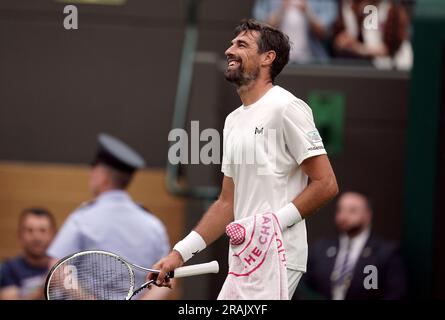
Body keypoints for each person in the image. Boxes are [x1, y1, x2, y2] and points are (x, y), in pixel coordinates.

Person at [150, 19, 338, 299]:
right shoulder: (233, 121)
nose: (229, 50)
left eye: (241, 44)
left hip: (277, 255)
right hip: (242, 258)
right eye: (231, 43)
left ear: (267, 58)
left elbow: (326, 184)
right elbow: (228, 203)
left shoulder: (288, 107)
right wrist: (180, 253)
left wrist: (272, 223)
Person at [47, 133, 171, 299]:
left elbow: (56, 269)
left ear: (102, 176)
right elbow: (168, 276)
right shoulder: (154, 225)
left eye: (93, 170)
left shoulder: (83, 218)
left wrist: (87, 298)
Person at [302, 191, 407, 299]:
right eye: (340, 210)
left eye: (352, 211)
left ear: (368, 215)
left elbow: (395, 293)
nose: (344, 216)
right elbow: (303, 286)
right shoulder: (320, 249)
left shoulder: (384, 253)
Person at [333, 0, 412, 70]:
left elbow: (388, 50)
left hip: (399, 66)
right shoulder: (365, 10)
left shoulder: (393, 10)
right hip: (372, 66)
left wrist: (358, 48)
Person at [253, 0, 338, 63]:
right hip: (277, 59)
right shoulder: (268, 2)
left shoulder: (323, 2)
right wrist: (281, 10)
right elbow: (261, 30)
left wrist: (307, 12)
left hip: (312, 59)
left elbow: (324, 33)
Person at [0, 208, 56, 300]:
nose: (36, 237)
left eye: (43, 230)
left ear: (53, 235)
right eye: (30, 230)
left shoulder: (66, 266)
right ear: (20, 235)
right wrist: (46, 285)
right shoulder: (9, 269)